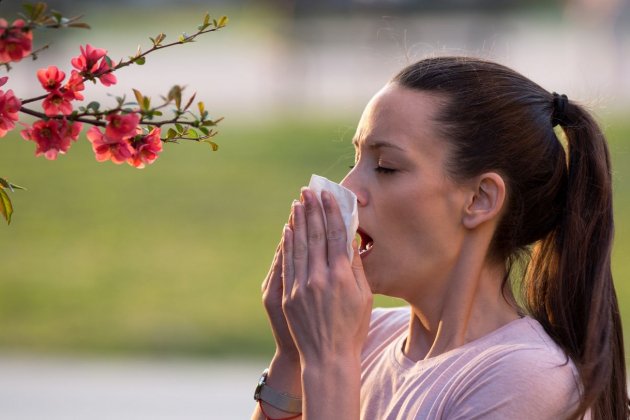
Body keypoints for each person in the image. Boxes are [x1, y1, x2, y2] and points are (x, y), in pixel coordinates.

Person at [251, 56, 629, 420]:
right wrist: (293, 355)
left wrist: (329, 361)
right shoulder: (366, 337)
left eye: (386, 168)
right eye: (356, 162)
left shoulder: (525, 380)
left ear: (480, 199)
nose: (349, 188)